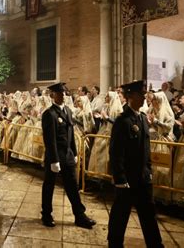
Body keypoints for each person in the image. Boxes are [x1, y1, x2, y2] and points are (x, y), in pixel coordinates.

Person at [107, 80, 163, 248]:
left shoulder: (143, 118)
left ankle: (156, 245)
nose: (144, 97)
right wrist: (120, 179)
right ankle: (115, 244)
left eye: (145, 94)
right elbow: (116, 153)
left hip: (143, 177)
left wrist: (149, 170)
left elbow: (146, 149)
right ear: (130, 96)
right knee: (120, 214)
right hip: (127, 179)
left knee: (148, 215)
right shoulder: (123, 121)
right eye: (141, 94)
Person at [41, 82, 96, 229]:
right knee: (49, 186)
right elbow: (50, 139)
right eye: (60, 93)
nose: (64, 96)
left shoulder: (68, 111)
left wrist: (75, 152)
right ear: (53, 95)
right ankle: (46, 214)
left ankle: (80, 215)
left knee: (72, 186)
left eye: (65, 93)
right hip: (55, 157)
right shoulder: (49, 114)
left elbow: (71, 134)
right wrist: (54, 160)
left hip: (68, 156)